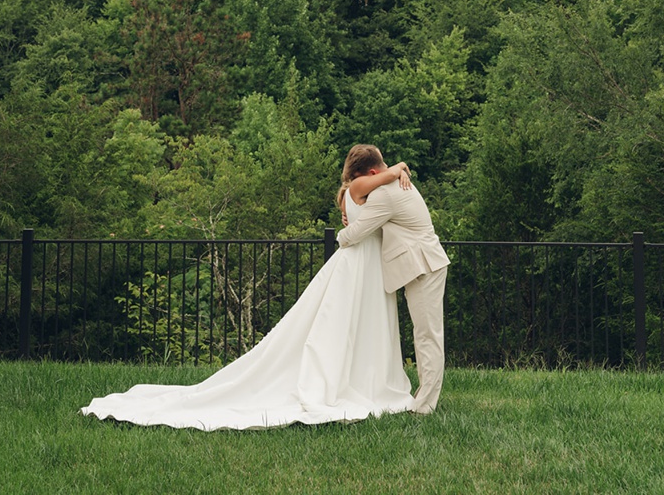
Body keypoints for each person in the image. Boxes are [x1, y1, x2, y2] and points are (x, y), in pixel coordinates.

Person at [82, 145, 415, 429]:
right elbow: (383, 181)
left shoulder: (358, 192)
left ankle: (363, 375)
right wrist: (400, 168)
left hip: (367, 263)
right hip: (357, 264)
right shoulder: (358, 187)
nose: (387, 168)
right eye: (382, 164)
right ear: (370, 169)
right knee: (342, 321)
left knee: (363, 323)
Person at [336, 141, 451, 414]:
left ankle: (425, 406)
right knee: (423, 334)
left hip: (424, 266)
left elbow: (357, 232)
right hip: (417, 264)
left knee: (427, 335)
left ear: (370, 175)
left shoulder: (385, 194)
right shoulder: (387, 185)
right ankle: (424, 399)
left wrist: (340, 236)